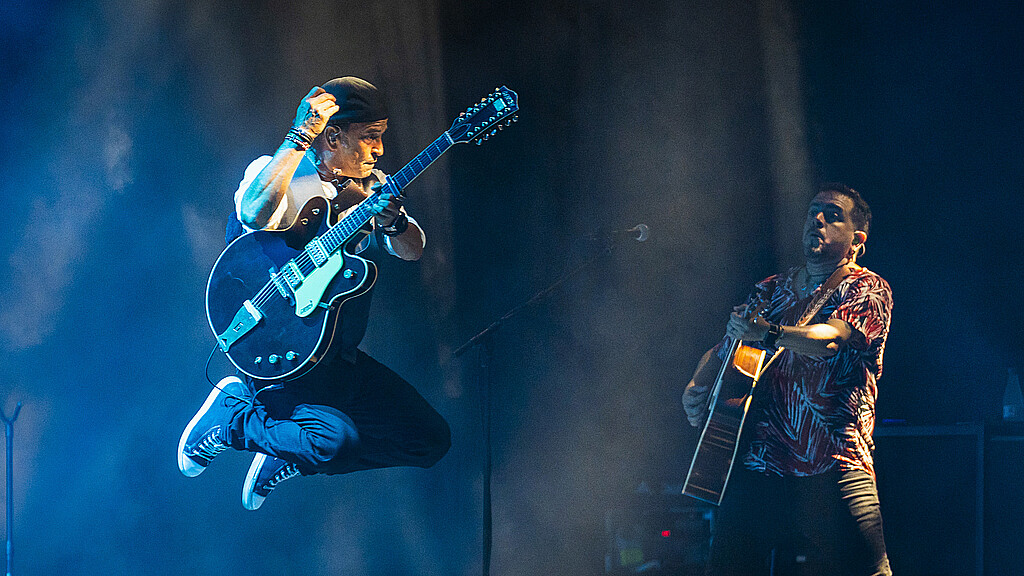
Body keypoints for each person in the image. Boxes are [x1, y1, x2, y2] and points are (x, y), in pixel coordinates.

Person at [177, 77, 451, 510]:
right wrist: (299, 135)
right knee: (332, 444)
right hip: (270, 348)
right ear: (333, 136)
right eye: (370, 138)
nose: (379, 150)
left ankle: (283, 449)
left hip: (329, 357)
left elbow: (413, 250)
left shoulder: (368, 188)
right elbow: (251, 211)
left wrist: (393, 220)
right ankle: (234, 416)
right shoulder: (279, 169)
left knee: (429, 440)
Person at [682, 183, 893, 575]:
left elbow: (831, 341)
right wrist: (697, 384)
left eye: (833, 215)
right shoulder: (770, 288)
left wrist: (768, 332)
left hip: (836, 464)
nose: (818, 219)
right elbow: (724, 347)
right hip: (761, 466)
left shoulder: (867, 287)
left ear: (856, 240)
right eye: (814, 211)